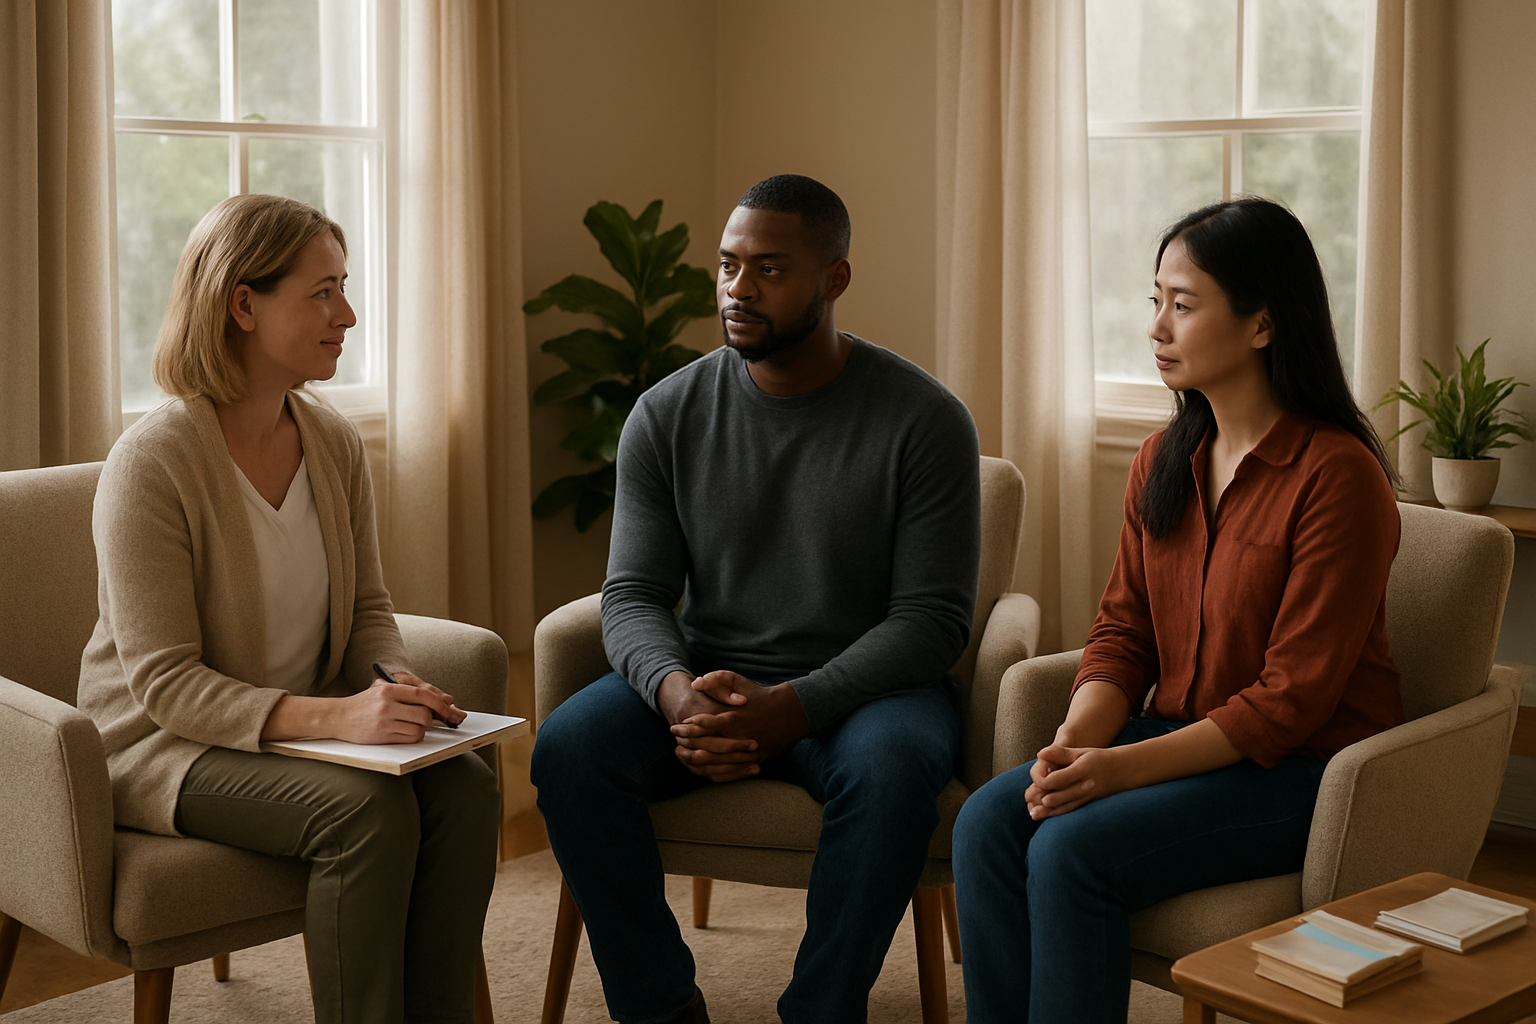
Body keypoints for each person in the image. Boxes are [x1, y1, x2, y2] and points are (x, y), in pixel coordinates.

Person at [531, 174, 981, 1024]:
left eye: (769, 269)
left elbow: (932, 623)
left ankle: (819, 1010)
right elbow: (630, 594)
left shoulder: (925, 420)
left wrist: (796, 707)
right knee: (569, 750)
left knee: (892, 775)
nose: (738, 289)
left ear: (834, 279)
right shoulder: (665, 414)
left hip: (867, 694)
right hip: (705, 681)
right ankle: (661, 1008)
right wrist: (675, 694)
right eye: (728, 266)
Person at [951, 197, 1404, 1023]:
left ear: (1262, 324)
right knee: (987, 821)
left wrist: (1116, 770)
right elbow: (1124, 633)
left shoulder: (1338, 477)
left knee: (1072, 848)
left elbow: (1288, 702)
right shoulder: (1165, 456)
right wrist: (1076, 741)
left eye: (1183, 305)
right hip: (1182, 737)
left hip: (1303, 770)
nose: (1157, 326)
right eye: (1154, 300)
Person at [76, 194, 501, 1024]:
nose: (347, 314)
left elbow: (370, 609)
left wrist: (394, 686)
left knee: (468, 786)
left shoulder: (332, 442)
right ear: (243, 304)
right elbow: (164, 685)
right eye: (322, 292)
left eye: (343, 288)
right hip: (164, 747)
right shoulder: (151, 465)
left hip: (293, 730)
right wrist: (341, 722)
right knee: (366, 810)